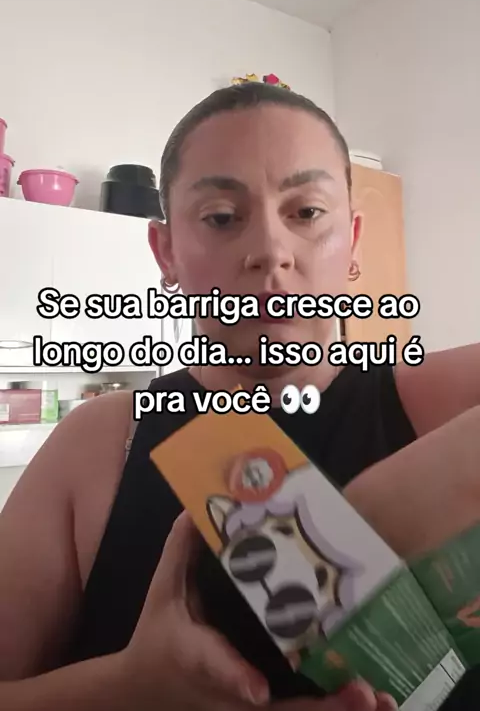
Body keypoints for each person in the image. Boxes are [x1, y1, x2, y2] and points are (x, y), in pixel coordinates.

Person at [0, 82, 479, 710]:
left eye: (306, 212)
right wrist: (127, 687)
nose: (271, 253)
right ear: (167, 253)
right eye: (223, 217)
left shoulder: (447, 401)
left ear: (354, 243)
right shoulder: (98, 445)